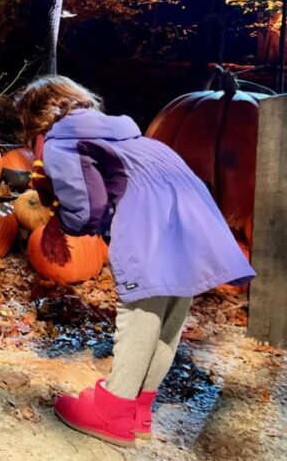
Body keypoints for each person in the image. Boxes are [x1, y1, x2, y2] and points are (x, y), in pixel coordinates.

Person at [14, 76, 255, 447]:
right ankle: (139, 405)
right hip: (193, 214)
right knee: (169, 314)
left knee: (139, 312)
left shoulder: (62, 139)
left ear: (38, 124)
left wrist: (60, 222)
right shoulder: (125, 134)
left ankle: (114, 409)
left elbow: (88, 205)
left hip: (149, 220)